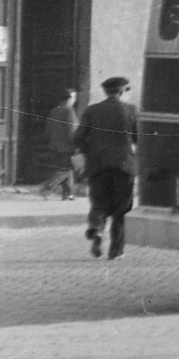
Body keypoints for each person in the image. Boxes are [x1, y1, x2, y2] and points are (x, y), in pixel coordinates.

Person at [74, 76, 139, 260]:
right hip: (124, 166)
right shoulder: (131, 110)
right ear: (121, 91)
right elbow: (139, 137)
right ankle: (116, 251)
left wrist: (90, 152)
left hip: (98, 165)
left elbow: (78, 137)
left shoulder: (92, 110)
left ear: (106, 91)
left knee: (99, 203)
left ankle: (97, 229)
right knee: (122, 209)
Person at [38, 87, 80, 200]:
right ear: (70, 98)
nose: (75, 99)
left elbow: (48, 129)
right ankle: (47, 187)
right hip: (67, 147)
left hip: (55, 145)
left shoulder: (54, 110)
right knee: (65, 170)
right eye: (74, 97)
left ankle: (68, 194)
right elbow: (73, 130)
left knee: (67, 168)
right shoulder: (69, 111)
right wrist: (77, 145)